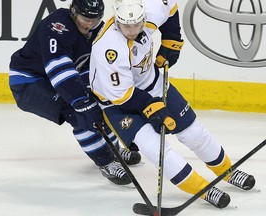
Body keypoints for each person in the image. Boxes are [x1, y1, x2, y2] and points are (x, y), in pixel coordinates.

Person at [89, 0, 256, 208]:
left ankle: (228, 172)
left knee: (194, 132)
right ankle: (203, 189)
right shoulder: (108, 48)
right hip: (118, 104)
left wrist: (171, 40)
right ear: (116, 21)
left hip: (153, 84)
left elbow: (169, 6)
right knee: (155, 149)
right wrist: (152, 107)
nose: (131, 30)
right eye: (125, 26)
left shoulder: (149, 10)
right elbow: (121, 95)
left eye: (136, 25)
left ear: (143, 17)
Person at [8, 0, 142, 186]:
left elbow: (92, 66)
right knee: (78, 112)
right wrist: (81, 100)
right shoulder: (57, 27)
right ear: (73, 11)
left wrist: (93, 94)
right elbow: (59, 70)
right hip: (29, 81)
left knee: (100, 105)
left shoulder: (97, 30)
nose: (89, 23)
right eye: (85, 18)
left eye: (94, 19)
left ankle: (115, 150)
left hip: (58, 79)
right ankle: (106, 162)